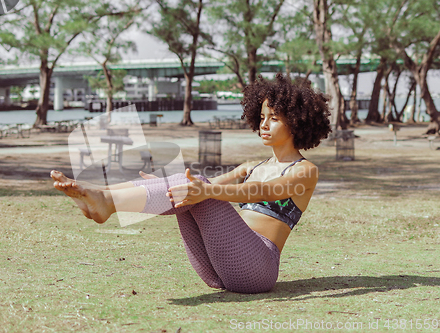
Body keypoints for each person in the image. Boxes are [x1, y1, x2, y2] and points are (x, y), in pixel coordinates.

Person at [51, 74, 331, 294]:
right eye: (261, 118)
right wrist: (163, 184)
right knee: (192, 185)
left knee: (201, 187)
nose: (264, 125)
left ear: (296, 123)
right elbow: (199, 188)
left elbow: (261, 191)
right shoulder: (252, 167)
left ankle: (106, 203)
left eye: (274, 119)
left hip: (257, 269)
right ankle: (103, 197)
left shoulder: (305, 171)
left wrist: (204, 189)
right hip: (218, 270)